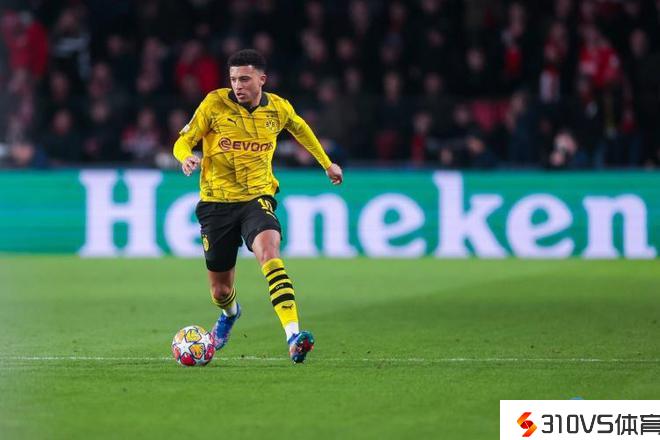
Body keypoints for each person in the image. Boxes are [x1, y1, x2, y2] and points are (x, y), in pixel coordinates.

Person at [172, 49, 343, 364]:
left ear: (262, 79)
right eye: (234, 79)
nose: (238, 85)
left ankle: (293, 336)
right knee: (221, 292)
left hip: (257, 197)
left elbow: (301, 129)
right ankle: (230, 313)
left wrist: (327, 164)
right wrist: (186, 157)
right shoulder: (213, 104)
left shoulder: (278, 108)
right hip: (216, 202)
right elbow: (183, 140)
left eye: (245, 79)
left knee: (269, 252)